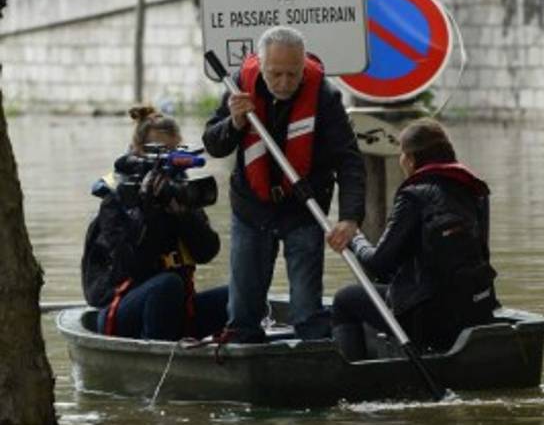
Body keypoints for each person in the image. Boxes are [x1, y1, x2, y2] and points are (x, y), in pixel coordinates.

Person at [203, 25, 365, 342]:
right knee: (242, 310)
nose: (285, 83)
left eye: (293, 74)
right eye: (275, 74)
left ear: (303, 66)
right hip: (251, 209)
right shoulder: (238, 86)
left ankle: (313, 366)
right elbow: (213, 143)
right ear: (260, 66)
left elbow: (349, 160)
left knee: (307, 309)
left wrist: (350, 218)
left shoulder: (324, 96)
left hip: (304, 208)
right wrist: (234, 123)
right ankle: (244, 360)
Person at [331, 118, 498, 360]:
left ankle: (353, 379)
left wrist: (355, 239)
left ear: (409, 159)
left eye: (401, 155)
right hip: (476, 306)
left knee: (345, 300)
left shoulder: (414, 195)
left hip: (427, 316)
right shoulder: (476, 191)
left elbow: (378, 263)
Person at [81, 107, 228, 340]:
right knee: (167, 285)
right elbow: (129, 266)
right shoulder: (116, 199)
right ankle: (157, 358)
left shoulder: (179, 190)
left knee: (241, 294)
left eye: (173, 157)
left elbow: (207, 252)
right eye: (161, 157)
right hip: (121, 309)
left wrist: (184, 216)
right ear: (139, 152)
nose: (168, 168)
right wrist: (150, 212)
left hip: (175, 305)